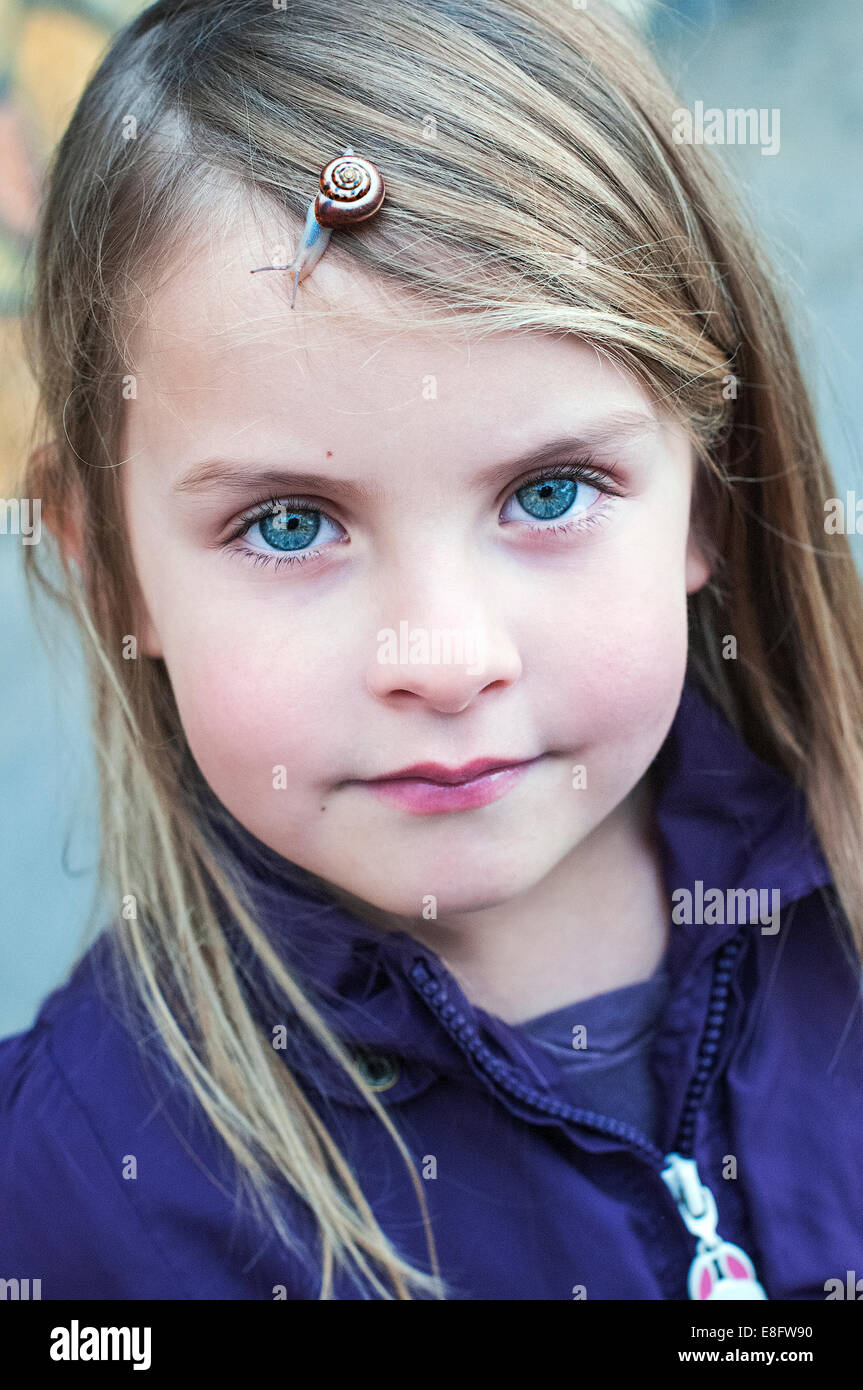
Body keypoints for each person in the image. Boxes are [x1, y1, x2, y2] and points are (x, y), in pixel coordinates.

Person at [2, 0, 862, 1301]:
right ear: (111, 564)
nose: (445, 657)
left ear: (710, 489)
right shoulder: (71, 1194)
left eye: (552, 492)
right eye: (290, 524)